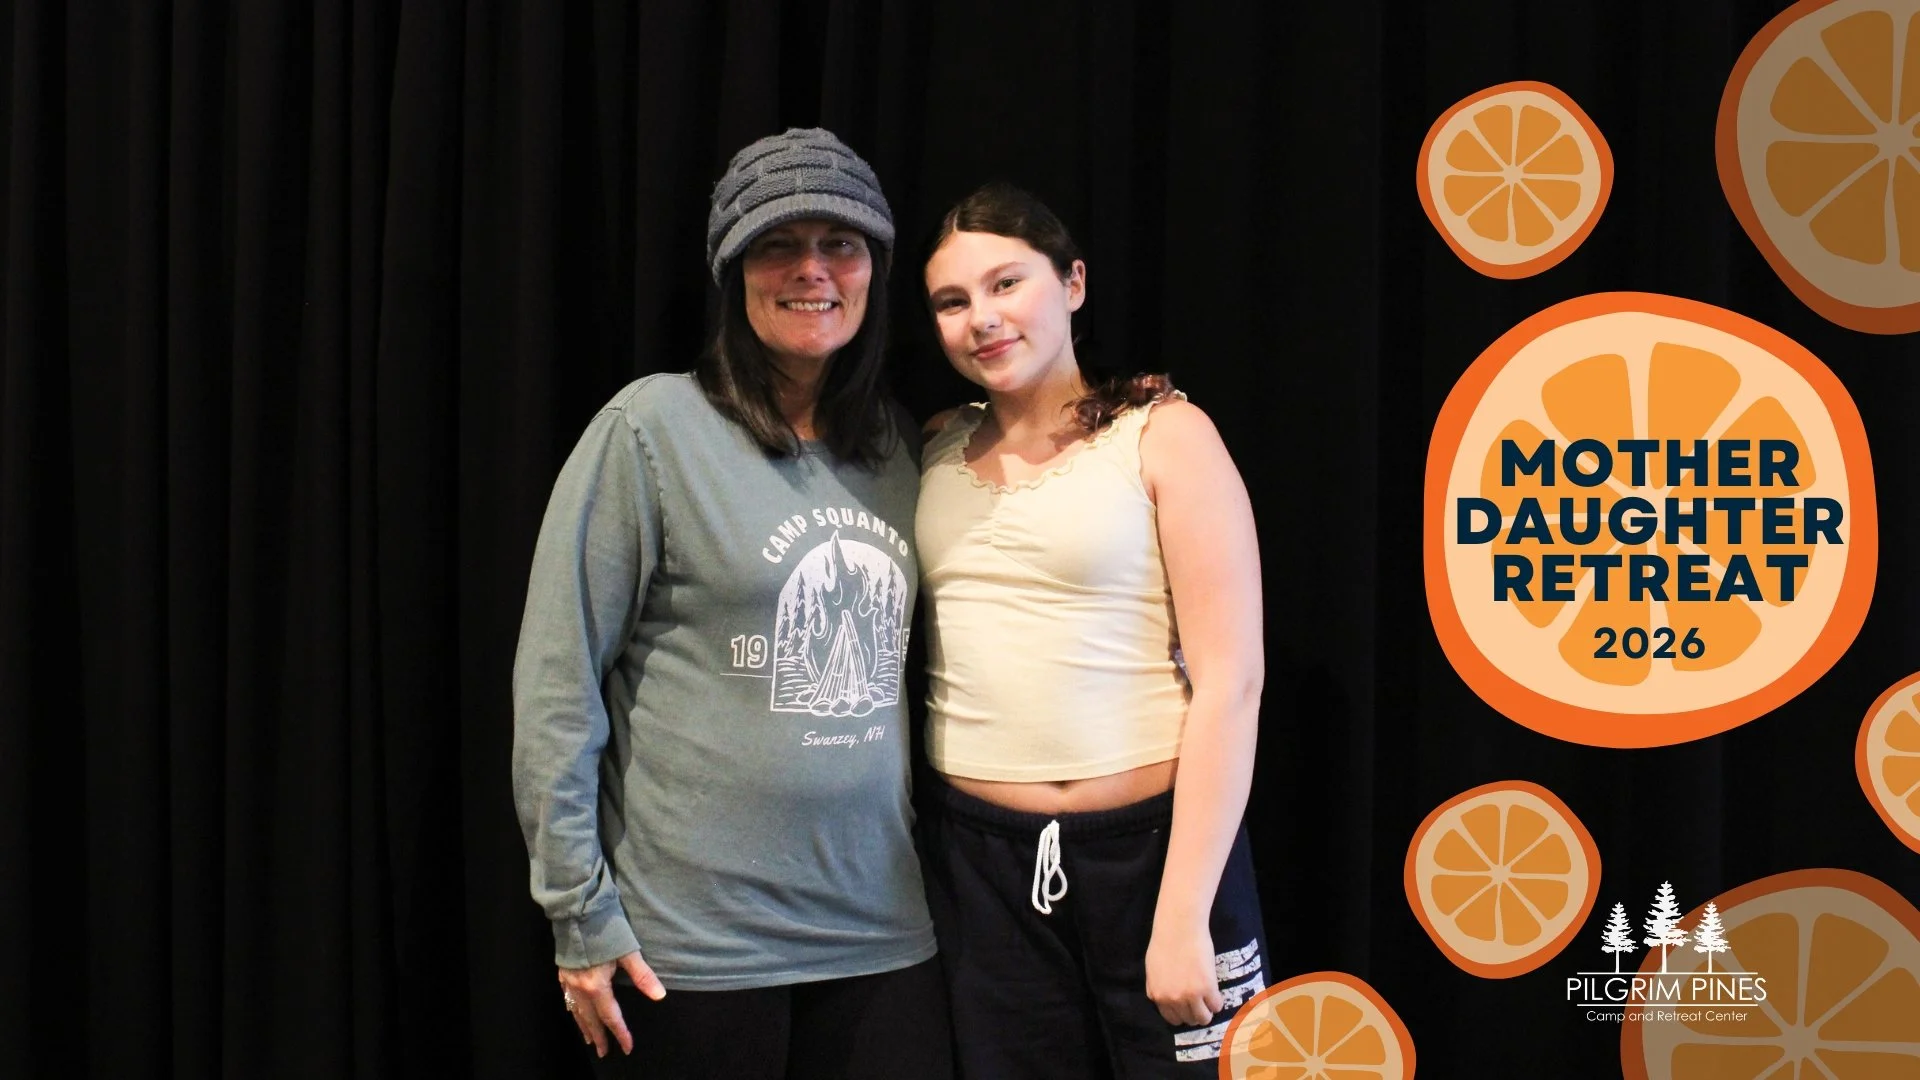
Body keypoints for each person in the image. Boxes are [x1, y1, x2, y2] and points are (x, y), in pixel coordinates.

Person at [511, 128, 950, 1080]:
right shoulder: (650, 430)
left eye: (839, 243)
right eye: (776, 244)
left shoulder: (901, 447)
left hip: (881, 931)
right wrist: (578, 914)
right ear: (732, 271)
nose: (811, 269)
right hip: (694, 951)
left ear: (874, 268)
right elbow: (557, 686)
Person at [914, 182, 1267, 1077]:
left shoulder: (1166, 434)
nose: (982, 318)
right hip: (979, 869)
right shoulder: (933, 448)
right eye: (952, 301)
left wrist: (1184, 913)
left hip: (1158, 858)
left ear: (1072, 283)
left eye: (1007, 283)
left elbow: (1232, 683)